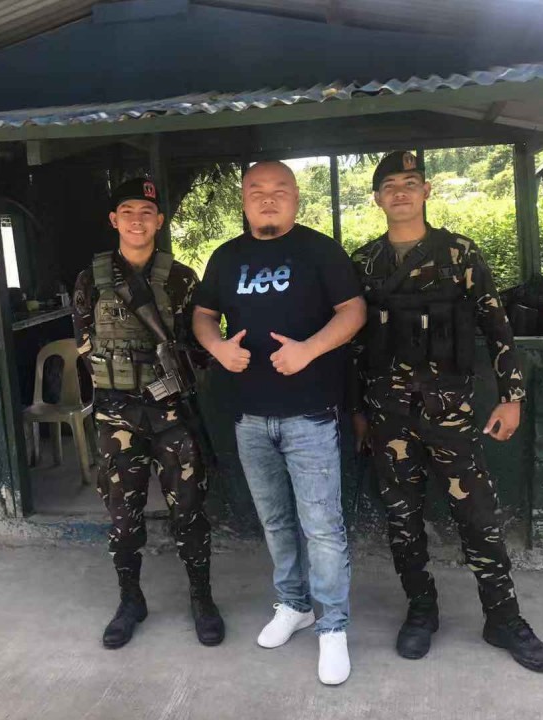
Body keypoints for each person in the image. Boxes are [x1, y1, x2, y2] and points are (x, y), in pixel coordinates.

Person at [350, 151, 543, 673]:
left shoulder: (459, 253)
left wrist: (512, 397)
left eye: (410, 182)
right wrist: (357, 412)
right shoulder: (364, 262)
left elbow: (496, 326)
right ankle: (421, 611)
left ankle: (503, 618)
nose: (400, 192)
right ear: (376, 198)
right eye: (390, 185)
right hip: (388, 415)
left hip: (450, 414)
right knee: (402, 519)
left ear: (426, 191)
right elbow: (352, 345)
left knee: (479, 516)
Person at [192, 161, 366, 685]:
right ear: (244, 199)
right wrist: (217, 347)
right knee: (274, 521)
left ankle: (333, 626)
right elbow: (203, 314)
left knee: (323, 527)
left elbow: (353, 311)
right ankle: (294, 605)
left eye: (279, 190)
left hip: (310, 414)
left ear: (296, 197)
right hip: (249, 416)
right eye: (256, 191)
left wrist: (308, 350)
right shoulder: (226, 257)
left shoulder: (320, 250)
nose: (268, 199)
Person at [72, 177, 224, 649]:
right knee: (123, 516)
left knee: (189, 510)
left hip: (172, 412)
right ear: (114, 220)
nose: (137, 221)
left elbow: (201, 345)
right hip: (116, 414)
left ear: (159, 221)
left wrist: (177, 365)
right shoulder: (90, 279)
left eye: (146, 212)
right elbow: (83, 341)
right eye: (128, 212)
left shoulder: (182, 279)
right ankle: (130, 600)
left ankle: (202, 598)